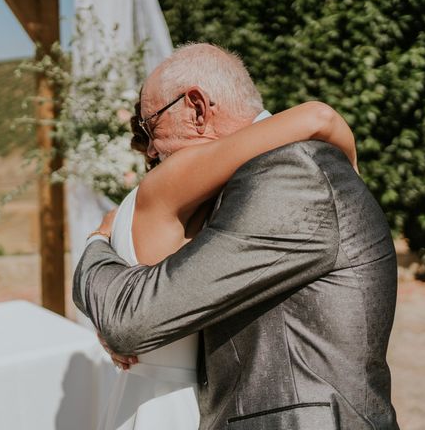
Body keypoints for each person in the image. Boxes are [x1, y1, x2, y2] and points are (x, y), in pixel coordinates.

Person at [75, 43, 399, 429]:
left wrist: (99, 243)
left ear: (196, 108)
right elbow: (174, 302)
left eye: (151, 126)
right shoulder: (245, 174)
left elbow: (131, 321)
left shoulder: (292, 171)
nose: (151, 151)